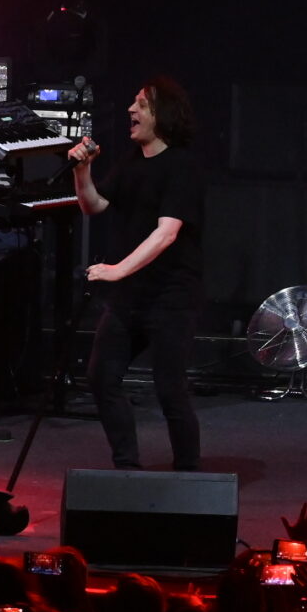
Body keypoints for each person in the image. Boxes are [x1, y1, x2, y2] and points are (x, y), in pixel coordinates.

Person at [71, 78, 206, 471]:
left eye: (142, 105)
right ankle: (127, 469)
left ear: (163, 115)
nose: (131, 110)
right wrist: (82, 170)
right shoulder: (132, 161)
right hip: (130, 297)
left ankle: (188, 477)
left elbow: (167, 233)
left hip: (171, 297)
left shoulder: (182, 166)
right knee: (101, 377)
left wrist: (116, 271)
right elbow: (94, 205)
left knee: (170, 391)